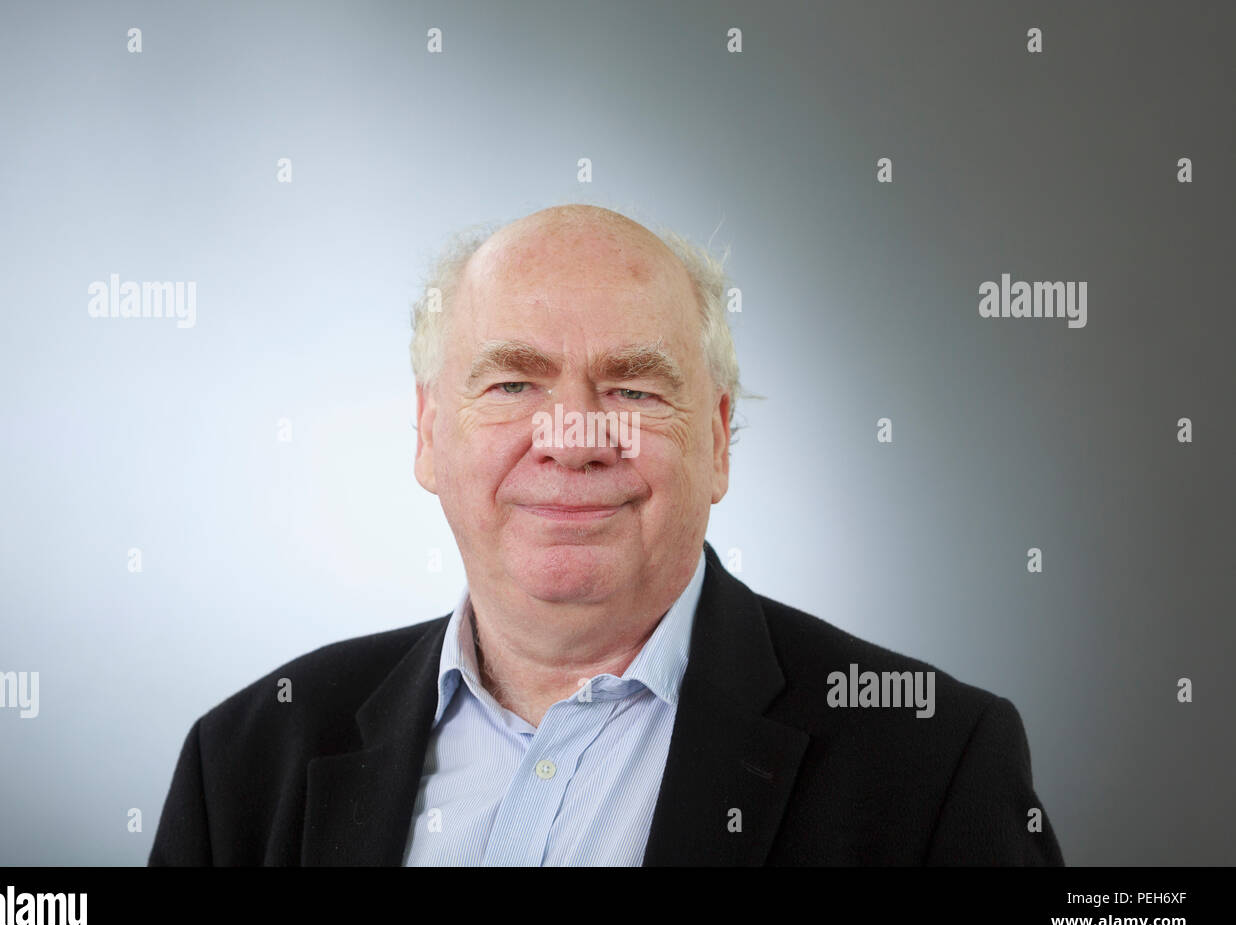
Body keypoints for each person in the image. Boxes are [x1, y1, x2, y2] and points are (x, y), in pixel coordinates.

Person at [148, 203, 1064, 866]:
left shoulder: (933, 761)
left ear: (714, 440)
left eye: (631, 389)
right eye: (513, 384)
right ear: (429, 433)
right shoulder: (246, 763)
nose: (574, 438)